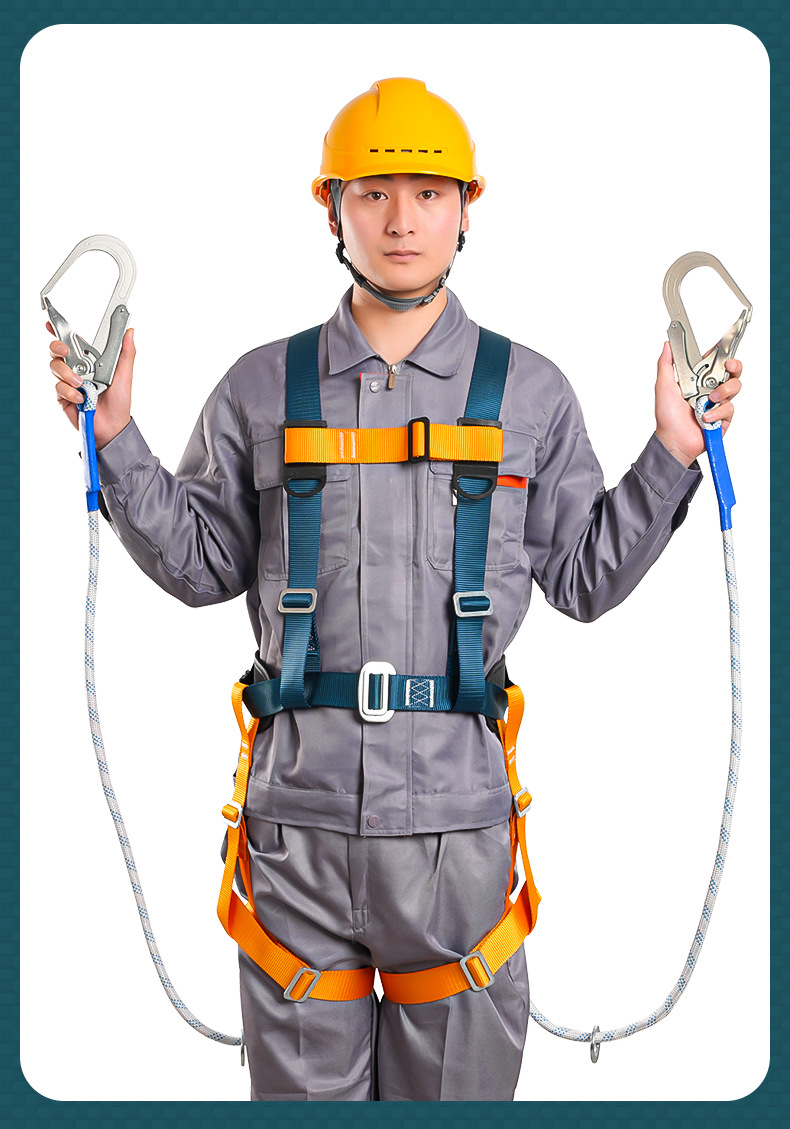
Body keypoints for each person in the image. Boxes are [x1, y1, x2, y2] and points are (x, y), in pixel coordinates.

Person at [48, 78, 743, 1102]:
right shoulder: (261, 387)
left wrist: (673, 452)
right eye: (373, 192)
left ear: (468, 207)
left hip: (456, 840)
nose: (402, 219)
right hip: (298, 834)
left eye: (427, 191)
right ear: (330, 208)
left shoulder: (528, 392)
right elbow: (201, 563)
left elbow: (584, 575)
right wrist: (113, 438)